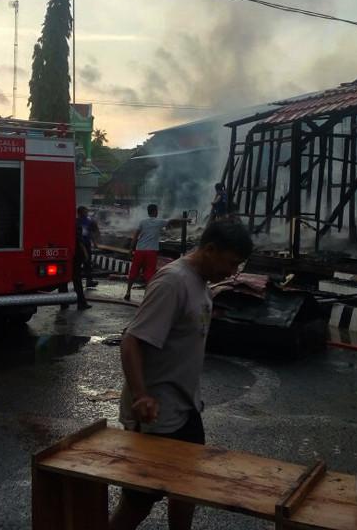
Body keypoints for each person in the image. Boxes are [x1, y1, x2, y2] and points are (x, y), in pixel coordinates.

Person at [110, 218, 253, 530]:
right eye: (231, 263)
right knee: (139, 502)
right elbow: (131, 341)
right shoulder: (172, 282)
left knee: (188, 487)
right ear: (210, 249)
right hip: (155, 414)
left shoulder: (200, 281)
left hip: (185, 408)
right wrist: (141, 395)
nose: (232, 273)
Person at [124, 204, 179, 302]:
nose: (158, 212)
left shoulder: (142, 222)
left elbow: (135, 236)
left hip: (139, 250)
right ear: (154, 211)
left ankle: (128, 292)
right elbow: (171, 221)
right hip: (151, 252)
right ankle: (146, 296)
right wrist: (185, 220)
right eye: (157, 210)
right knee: (149, 274)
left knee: (133, 272)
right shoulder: (159, 222)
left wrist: (130, 249)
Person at [76, 207, 99, 288]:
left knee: (88, 263)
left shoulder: (89, 221)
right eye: (85, 212)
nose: (87, 213)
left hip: (86, 244)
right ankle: (77, 281)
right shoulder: (76, 221)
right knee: (78, 263)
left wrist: (95, 243)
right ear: (80, 213)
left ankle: (89, 281)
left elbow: (91, 233)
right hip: (78, 245)